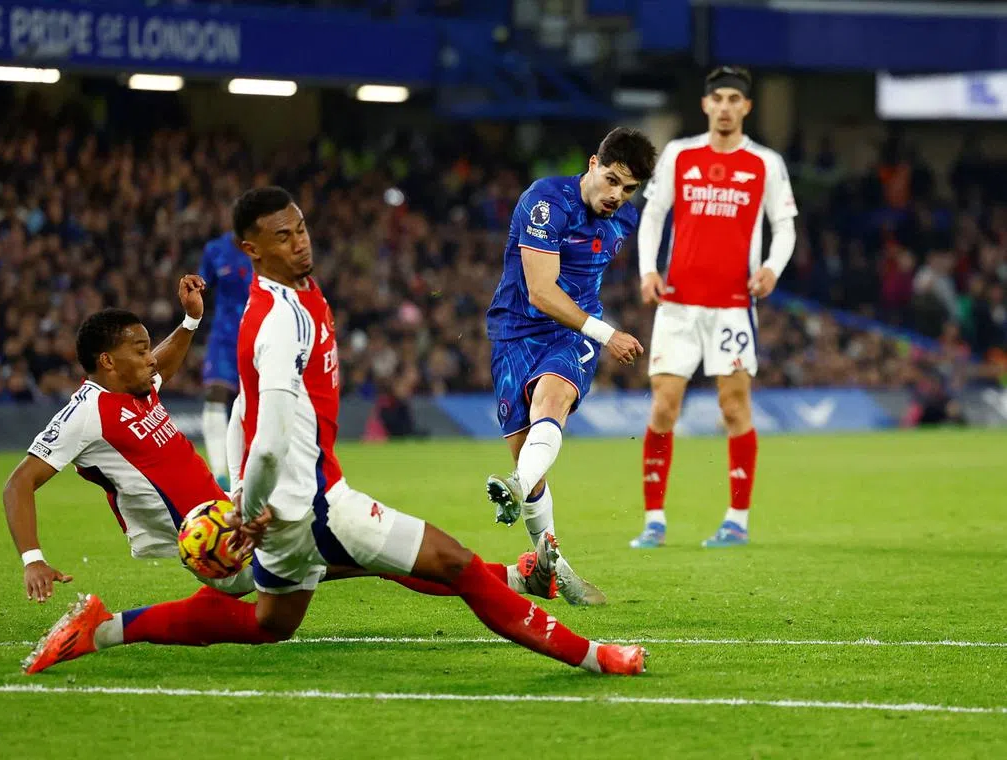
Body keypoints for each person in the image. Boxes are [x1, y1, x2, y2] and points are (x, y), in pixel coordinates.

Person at [3, 280, 558, 674]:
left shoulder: (134, 386)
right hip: (215, 543)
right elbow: (19, 482)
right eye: (139, 350)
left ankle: (512, 578)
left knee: (357, 560)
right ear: (105, 362)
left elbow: (164, 365)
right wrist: (33, 559)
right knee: (360, 555)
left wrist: (191, 322)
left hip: (233, 519)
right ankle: (104, 630)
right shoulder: (84, 413)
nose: (152, 359)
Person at [228, 185, 647, 676]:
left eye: (300, 229)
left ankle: (115, 629)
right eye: (283, 237)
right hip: (319, 503)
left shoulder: (296, 294)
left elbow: (244, 406)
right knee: (455, 564)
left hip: (286, 512)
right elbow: (270, 442)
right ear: (251, 250)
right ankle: (594, 655)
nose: (300, 242)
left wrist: (240, 496)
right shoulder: (280, 320)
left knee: (270, 621)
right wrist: (248, 507)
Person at [483, 127, 657, 605]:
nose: (616, 195)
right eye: (612, 180)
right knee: (530, 459)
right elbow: (540, 291)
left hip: (573, 334)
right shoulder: (546, 202)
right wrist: (609, 334)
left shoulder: (624, 221)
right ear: (592, 162)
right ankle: (551, 567)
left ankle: (515, 489)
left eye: (628, 189)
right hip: (515, 331)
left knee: (552, 397)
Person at [633, 66, 798, 549]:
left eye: (734, 99)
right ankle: (654, 521)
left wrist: (771, 268)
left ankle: (737, 521)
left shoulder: (765, 163)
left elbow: (785, 225)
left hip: (732, 306)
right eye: (718, 98)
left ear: (747, 107)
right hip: (678, 304)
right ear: (706, 105)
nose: (725, 106)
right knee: (664, 407)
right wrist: (648, 270)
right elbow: (654, 215)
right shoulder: (680, 156)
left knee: (734, 406)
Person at [198, 221, 253, 490]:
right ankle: (219, 475)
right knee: (215, 394)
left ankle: (246, 472)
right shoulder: (215, 250)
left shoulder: (263, 248)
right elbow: (202, 286)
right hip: (224, 336)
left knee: (251, 402)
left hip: (257, 334)